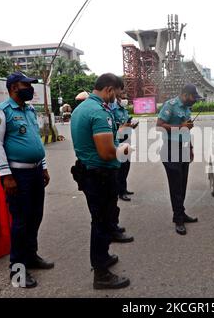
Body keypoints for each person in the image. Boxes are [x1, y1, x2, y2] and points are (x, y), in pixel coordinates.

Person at [0, 72, 54, 289]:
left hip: (35, 172)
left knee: (36, 217)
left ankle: (31, 256)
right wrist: (6, 176)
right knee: (20, 222)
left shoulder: (30, 110)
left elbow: (35, 140)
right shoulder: (1, 112)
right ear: (14, 86)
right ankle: (18, 270)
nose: (31, 89)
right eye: (27, 85)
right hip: (17, 176)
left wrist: (43, 167)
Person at [70, 73, 132, 290]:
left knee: (102, 220)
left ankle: (103, 257)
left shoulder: (82, 109)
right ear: (109, 89)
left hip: (91, 172)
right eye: (117, 93)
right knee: (101, 223)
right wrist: (124, 149)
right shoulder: (98, 111)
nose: (117, 98)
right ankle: (101, 274)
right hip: (100, 175)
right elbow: (106, 152)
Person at [156, 84, 203, 236]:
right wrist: (180, 127)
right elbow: (159, 126)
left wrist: (190, 148)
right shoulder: (170, 105)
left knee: (182, 185)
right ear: (185, 94)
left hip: (183, 148)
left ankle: (181, 213)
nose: (195, 101)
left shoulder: (187, 108)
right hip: (170, 149)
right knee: (176, 186)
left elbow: (186, 131)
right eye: (193, 97)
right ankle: (178, 219)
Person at [110, 95, 138, 202]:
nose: (124, 100)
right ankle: (120, 192)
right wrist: (124, 126)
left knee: (126, 166)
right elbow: (115, 126)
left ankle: (124, 188)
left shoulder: (124, 110)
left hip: (127, 139)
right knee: (121, 167)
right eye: (122, 98)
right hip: (119, 140)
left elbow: (126, 123)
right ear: (118, 99)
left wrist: (131, 125)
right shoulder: (114, 110)